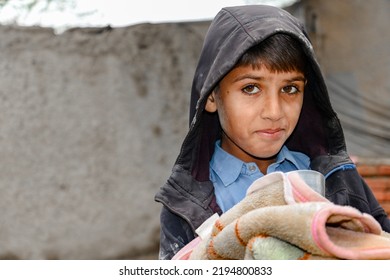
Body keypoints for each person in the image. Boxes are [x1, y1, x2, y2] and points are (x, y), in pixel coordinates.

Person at [154, 5, 390, 260]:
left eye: (289, 89)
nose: (274, 112)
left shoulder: (336, 178)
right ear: (211, 96)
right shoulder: (186, 204)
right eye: (251, 88)